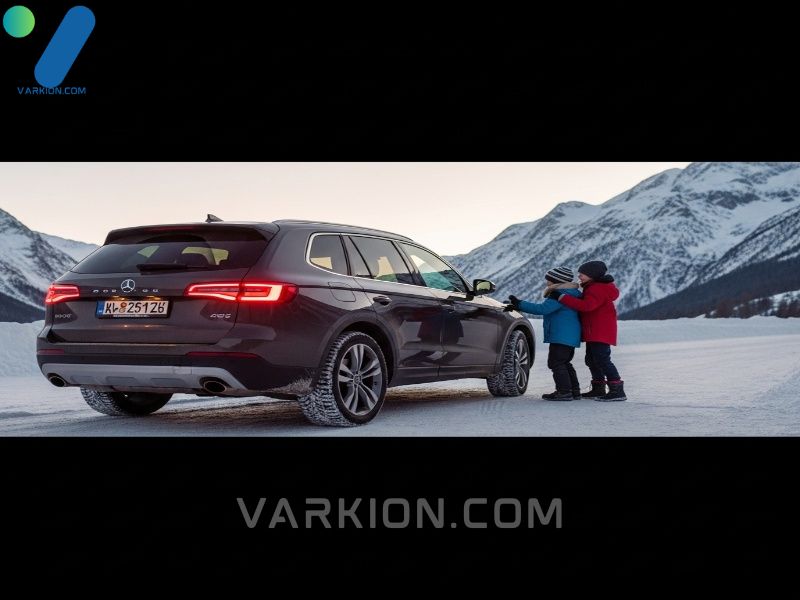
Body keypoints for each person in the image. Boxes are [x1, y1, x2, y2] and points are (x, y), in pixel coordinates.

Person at [546, 260, 626, 401]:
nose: (579, 276)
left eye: (582, 274)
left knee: (602, 359)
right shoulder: (593, 287)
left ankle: (617, 389)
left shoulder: (597, 288)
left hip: (599, 331)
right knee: (591, 360)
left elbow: (587, 306)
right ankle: (598, 387)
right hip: (594, 331)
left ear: (592, 275)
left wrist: (562, 297)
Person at [504, 266, 583, 401]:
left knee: (556, 362)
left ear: (557, 281)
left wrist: (519, 304)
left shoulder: (560, 294)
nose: (547, 282)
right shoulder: (572, 293)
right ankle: (574, 391)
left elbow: (542, 309)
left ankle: (564, 392)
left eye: (549, 280)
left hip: (561, 336)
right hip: (569, 336)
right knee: (564, 362)